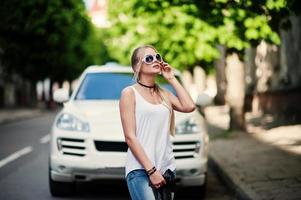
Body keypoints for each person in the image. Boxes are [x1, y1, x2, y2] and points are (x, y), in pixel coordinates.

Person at [119, 45, 196, 200]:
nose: (155, 60)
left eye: (157, 57)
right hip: (141, 170)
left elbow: (189, 106)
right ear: (136, 66)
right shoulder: (129, 93)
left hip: (166, 167)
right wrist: (152, 171)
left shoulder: (163, 94)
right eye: (149, 58)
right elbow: (130, 137)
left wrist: (171, 78)